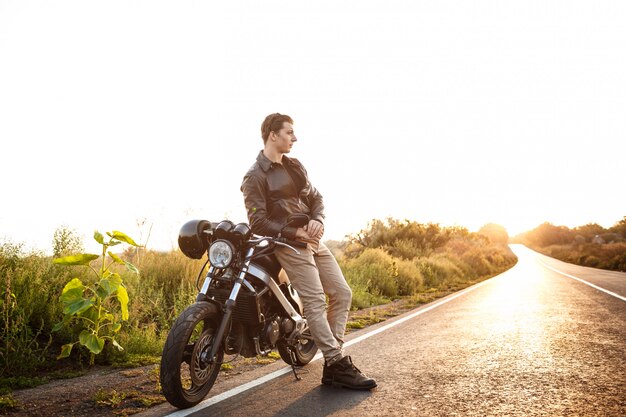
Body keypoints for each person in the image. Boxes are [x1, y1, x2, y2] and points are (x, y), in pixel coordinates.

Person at [240, 113, 377, 390]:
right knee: (315, 302)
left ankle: (333, 361)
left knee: (342, 293)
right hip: (289, 244)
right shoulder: (254, 176)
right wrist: (294, 233)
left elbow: (316, 197)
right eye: (289, 132)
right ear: (272, 134)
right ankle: (337, 362)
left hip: (314, 240)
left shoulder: (294, 166)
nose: (295, 137)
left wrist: (318, 219)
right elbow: (258, 222)